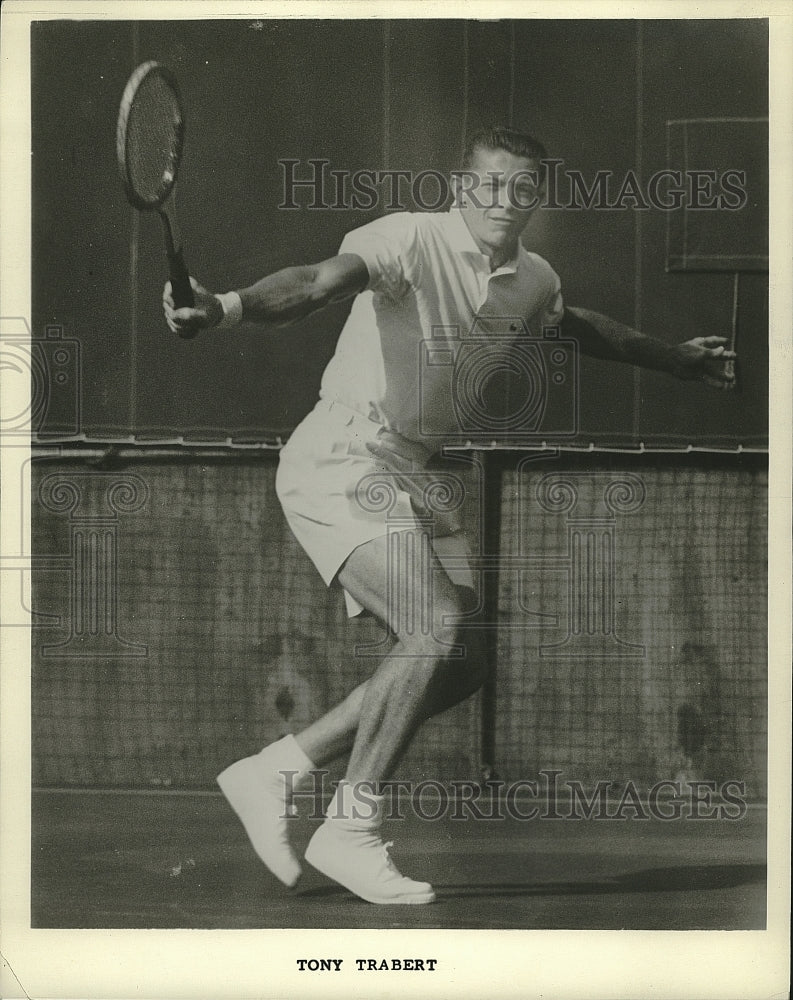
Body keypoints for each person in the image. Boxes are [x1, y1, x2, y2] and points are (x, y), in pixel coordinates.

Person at [163, 126, 735, 905]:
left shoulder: (531, 279)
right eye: (489, 184)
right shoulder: (406, 239)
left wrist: (671, 357)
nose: (504, 200)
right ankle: (349, 830)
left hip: (412, 469)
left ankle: (277, 770)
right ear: (463, 188)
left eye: (522, 188)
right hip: (343, 454)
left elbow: (574, 326)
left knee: (464, 656)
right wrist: (226, 306)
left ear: (535, 198)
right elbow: (313, 283)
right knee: (432, 626)